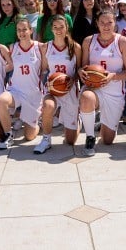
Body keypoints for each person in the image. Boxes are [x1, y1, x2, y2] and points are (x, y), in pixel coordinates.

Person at [78, 9, 126, 156]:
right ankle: (90, 136)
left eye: (109, 22)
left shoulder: (122, 41)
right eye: (102, 22)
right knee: (86, 98)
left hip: (114, 90)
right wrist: (81, 71)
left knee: (108, 140)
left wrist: (113, 76)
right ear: (97, 24)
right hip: (93, 87)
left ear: (115, 23)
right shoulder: (88, 41)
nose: (106, 26)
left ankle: (100, 123)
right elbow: (83, 67)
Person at [36, 15, 82, 153]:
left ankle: (76, 121)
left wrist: (71, 81)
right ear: (51, 29)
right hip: (53, 88)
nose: (58, 30)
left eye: (61, 26)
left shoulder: (76, 47)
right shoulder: (46, 47)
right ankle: (46, 139)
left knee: (70, 141)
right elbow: (44, 69)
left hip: (70, 88)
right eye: (55, 27)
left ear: (67, 27)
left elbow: (78, 70)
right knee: (48, 106)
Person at [0, 18, 44, 150]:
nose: (22, 33)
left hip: (33, 94)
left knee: (29, 136)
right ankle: (8, 134)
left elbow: (45, 69)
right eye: (19, 30)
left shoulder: (40, 47)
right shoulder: (12, 47)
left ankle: (36, 122)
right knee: (1, 100)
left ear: (31, 30)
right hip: (15, 90)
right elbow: (8, 67)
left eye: (24, 29)